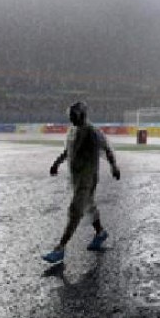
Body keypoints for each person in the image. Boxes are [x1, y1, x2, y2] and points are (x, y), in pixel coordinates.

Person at [42, 101, 120, 263]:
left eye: (73, 116)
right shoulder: (73, 130)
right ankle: (100, 232)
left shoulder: (92, 132)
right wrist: (57, 163)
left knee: (75, 209)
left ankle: (60, 248)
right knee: (89, 205)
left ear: (81, 115)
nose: (71, 119)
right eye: (69, 116)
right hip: (76, 176)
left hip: (87, 177)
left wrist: (113, 166)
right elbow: (68, 150)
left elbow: (106, 149)